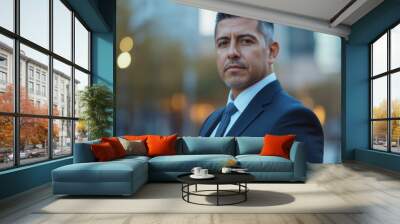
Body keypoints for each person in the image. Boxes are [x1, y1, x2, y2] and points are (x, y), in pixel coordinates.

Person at [199, 13, 324, 163]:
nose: (232, 52)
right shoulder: (211, 121)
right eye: (223, 43)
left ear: (271, 52)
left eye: (245, 41)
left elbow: (300, 185)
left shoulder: (294, 118)